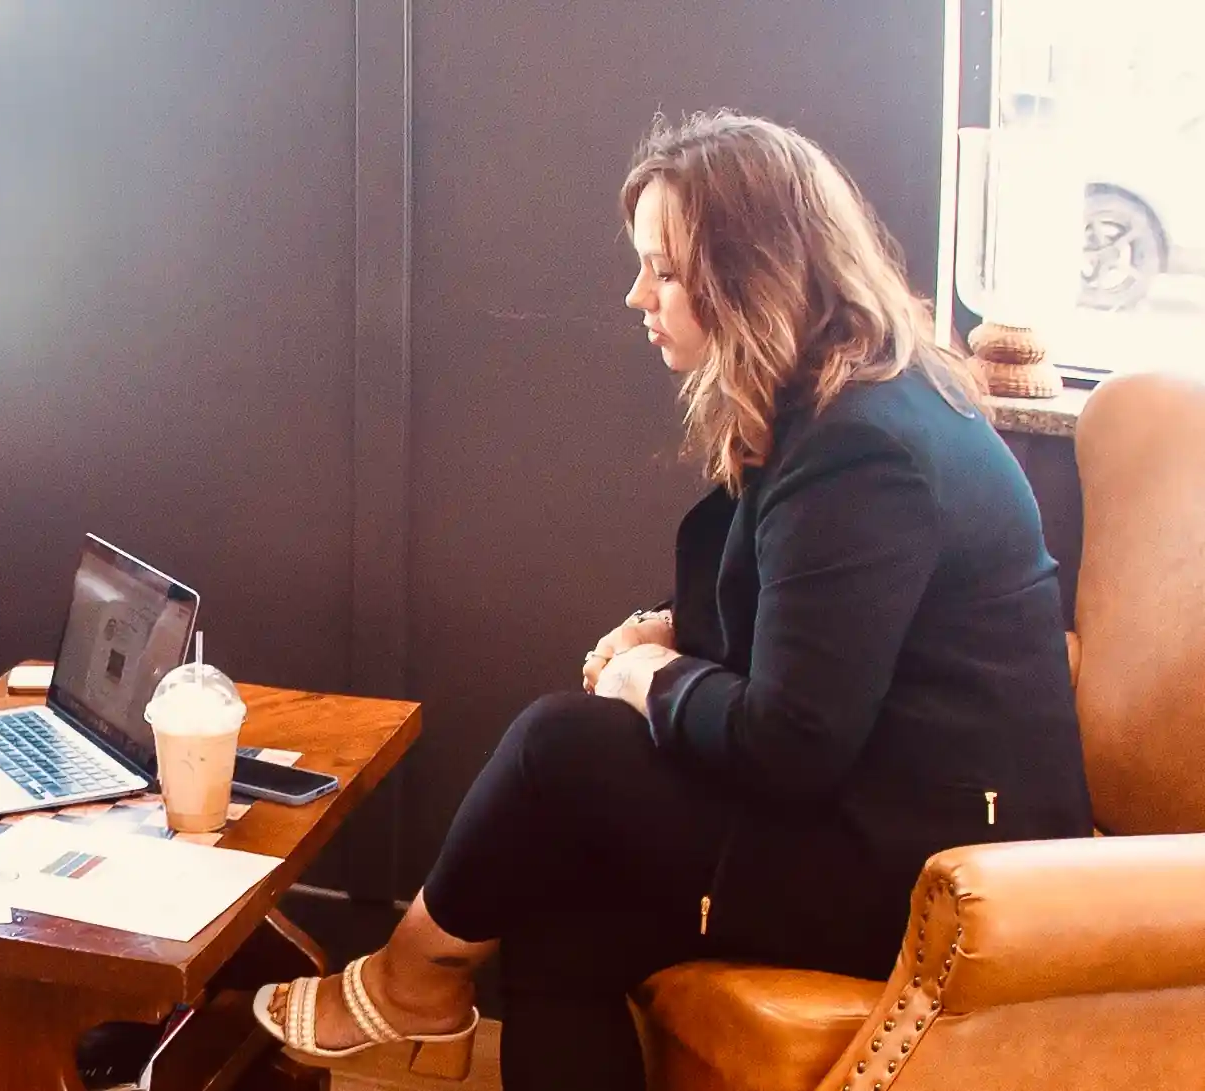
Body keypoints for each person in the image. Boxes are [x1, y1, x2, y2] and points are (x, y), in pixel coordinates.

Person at [252, 111, 1093, 1088]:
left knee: (560, 742)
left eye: (661, 269)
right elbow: (826, 621)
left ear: (750, 273)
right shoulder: (845, 396)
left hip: (939, 876)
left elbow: (791, 743)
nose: (634, 295)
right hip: (883, 806)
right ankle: (415, 984)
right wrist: (679, 629)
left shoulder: (859, 449)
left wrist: (652, 676)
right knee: (555, 904)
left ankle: (409, 977)